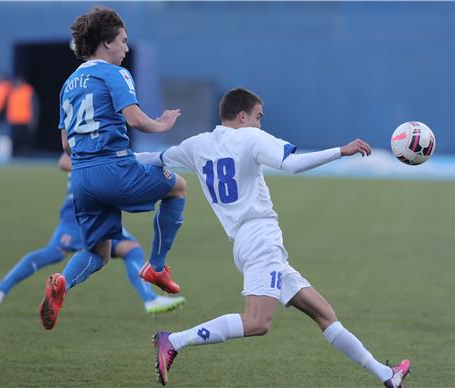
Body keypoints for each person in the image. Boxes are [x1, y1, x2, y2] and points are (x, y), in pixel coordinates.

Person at [137, 88, 411, 387]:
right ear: (242, 116)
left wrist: (104, 160)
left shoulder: (197, 144)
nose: (260, 124)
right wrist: (340, 151)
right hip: (260, 239)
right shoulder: (250, 137)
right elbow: (291, 164)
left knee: (324, 313)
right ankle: (174, 340)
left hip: (246, 242)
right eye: (258, 117)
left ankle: (387, 376)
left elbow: (154, 157)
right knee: (257, 322)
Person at [39, 6, 187, 331]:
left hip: (81, 178)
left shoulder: (69, 83)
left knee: (99, 253)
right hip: (113, 169)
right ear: (107, 43)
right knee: (178, 187)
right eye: (123, 40)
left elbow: (66, 144)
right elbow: (134, 118)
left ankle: (62, 282)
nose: (126, 48)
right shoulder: (114, 73)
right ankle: (157, 267)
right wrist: (161, 125)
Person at [0, 153, 186, 317]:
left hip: (102, 205)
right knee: (56, 252)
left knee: (130, 250)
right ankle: (0, 289)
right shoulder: (89, 128)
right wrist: (97, 169)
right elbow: (64, 160)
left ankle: (150, 299)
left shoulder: (106, 130)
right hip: (79, 206)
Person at [7, 76, 39, 156]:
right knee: (16, 139)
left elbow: (34, 105)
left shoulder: (28, 90)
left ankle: (26, 154)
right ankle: (16, 154)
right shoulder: (13, 90)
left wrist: (33, 117)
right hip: (15, 119)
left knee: (26, 139)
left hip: (25, 119)